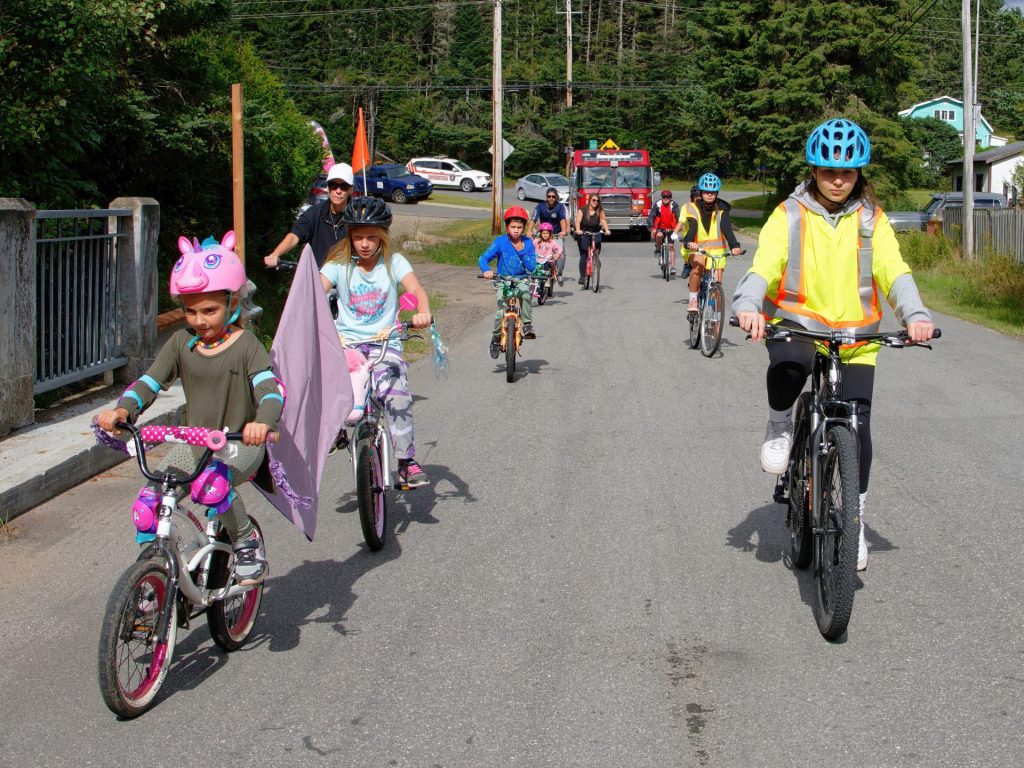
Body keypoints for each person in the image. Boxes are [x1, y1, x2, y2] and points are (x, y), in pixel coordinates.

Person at [732, 118, 935, 571]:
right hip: (799, 328)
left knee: (858, 426)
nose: (838, 180)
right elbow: (763, 265)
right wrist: (747, 303)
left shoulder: (871, 220)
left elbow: (894, 271)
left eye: (847, 173)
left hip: (857, 337)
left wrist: (915, 315)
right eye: (828, 172)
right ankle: (781, 423)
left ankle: (854, 521)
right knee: (788, 369)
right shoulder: (789, 213)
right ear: (814, 170)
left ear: (860, 173)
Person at [98, 231, 280, 585]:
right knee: (150, 500)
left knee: (214, 484)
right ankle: (157, 574)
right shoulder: (182, 343)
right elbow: (150, 382)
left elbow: (270, 393)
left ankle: (246, 543)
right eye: (190, 310)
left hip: (239, 444)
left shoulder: (247, 345)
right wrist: (124, 410)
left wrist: (262, 422)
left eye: (209, 310)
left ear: (233, 304)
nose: (198, 320)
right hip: (194, 444)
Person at [319, 196, 433, 489]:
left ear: (382, 236)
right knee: (333, 388)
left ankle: (406, 462)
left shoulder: (394, 262)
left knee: (396, 395)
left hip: (386, 342)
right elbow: (316, 289)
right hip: (348, 344)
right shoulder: (338, 265)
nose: (365, 243)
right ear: (350, 237)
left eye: (371, 237)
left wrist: (423, 311)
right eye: (358, 237)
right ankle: (334, 432)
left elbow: (417, 289)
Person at [264, 163, 355, 269]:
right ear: (328, 187)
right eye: (333, 185)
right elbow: (294, 236)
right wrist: (275, 254)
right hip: (317, 278)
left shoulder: (357, 216)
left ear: (351, 190)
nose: (338, 191)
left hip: (346, 279)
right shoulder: (314, 213)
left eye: (343, 186)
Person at [677, 172, 743, 313]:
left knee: (717, 282)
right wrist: (688, 242)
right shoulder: (692, 207)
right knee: (699, 265)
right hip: (695, 249)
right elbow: (692, 227)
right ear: (701, 192)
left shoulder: (722, 209)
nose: (709, 195)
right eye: (706, 192)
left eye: (712, 192)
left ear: (717, 193)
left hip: (716, 252)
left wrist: (735, 246)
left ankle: (713, 319)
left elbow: (726, 228)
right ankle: (693, 299)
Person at [480, 206, 539, 357]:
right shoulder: (500, 242)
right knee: (501, 312)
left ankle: (527, 324)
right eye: (512, 227)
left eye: (519, 227)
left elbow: (532, 267)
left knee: (526, 294)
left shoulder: (528, 243)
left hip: (521, 279)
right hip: (502, 280)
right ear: (507, 227)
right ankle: (496, 337)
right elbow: (483, 258)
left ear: (524, 228)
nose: (516, 230)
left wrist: (522, 251)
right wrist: (486, 270)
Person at [528, 188, 570, 284]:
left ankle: (559, 273)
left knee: (560, 254)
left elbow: (562, 220)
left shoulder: (560, 207)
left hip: (556, 234)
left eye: (553, 197)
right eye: (549, 196)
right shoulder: (540, 206)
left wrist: (563, 231)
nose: (551, 198)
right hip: (543, 233)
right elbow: (534, 219)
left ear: (556, 197)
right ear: (546, 197)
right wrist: (529, 231)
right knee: (536, 251)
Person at [574, 193, 611, 285]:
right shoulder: (582, 210)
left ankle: (596, 258)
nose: (595, 202)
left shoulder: (600, 210)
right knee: (584, 255)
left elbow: (603, 220)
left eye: (597, 201)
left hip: (596, 233)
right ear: (589, 200)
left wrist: (606, 230)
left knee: (596, 251)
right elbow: (578, 222)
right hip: (584, 233)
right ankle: (582, 276)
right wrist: (578, 230)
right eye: (593, 200)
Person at [648, 189, 681, 274]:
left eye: (668, 197)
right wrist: (652, 227)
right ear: (662, 197)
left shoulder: (674, 205)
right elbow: (651, 216)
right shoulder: (658, 204)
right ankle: (658, 249)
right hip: (660, 227)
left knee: (671, 246)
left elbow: (678, 217)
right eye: (664, 197)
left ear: (671, 198)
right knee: (659, 236)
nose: (666, 198)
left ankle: (673, 267)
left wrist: (678, 228)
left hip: (671, 228)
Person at [532, 222, 563, 288]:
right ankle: (533, 281)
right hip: (537, 260)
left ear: (550, 234)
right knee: (532, 268)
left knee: (547, 266)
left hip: (547, 260)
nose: (545, 235)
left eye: (547, 233)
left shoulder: (552, 242)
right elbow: (529, 247)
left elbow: (559, 248)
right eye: (543, 233)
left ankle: (547, 279)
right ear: (540, 233)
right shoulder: (536, 241)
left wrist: (557, 254)